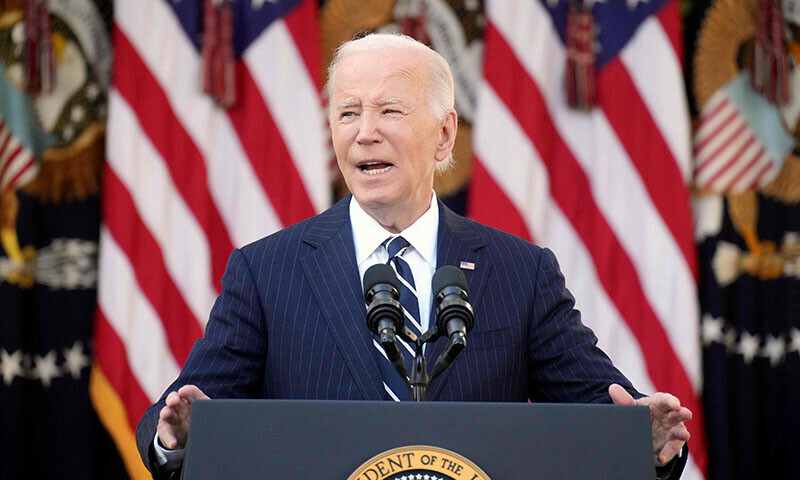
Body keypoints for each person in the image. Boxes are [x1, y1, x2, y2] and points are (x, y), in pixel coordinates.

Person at [136, 33, 692, 479]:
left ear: (445, 136)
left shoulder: (520, 271)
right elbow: (182, 417)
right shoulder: (266, 270)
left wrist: (643, 436)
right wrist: (173, 440)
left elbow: (602, 408)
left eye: (390, 111)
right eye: (348, 113)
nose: (365, 134)